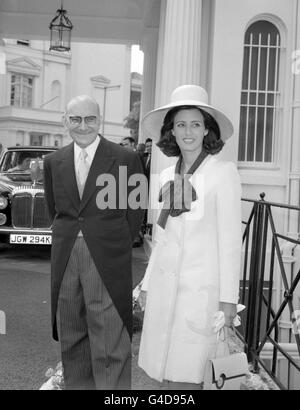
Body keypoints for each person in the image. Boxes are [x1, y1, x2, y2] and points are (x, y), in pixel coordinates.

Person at [138, 85, 242, 389]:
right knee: (165, 376)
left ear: (207, 130)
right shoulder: (169, 174)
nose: (188, 131)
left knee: (194, 376)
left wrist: (228, 302)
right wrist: (146, 284)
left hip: (201, 295)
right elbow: (162, 238)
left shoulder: (223, 173)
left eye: (196, 124)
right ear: (171, 131)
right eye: (180, 124)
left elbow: (230, 243)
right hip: (164, 288)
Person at [43, 95, 144, 390]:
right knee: (72, 338)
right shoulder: (53, 161)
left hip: (107, 256)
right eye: (75, 119)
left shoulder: (126, 158)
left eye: (89, 119)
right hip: (66, 257)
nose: (83, 125)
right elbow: (56, 210)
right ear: (65, 121)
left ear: (99, 120)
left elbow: (135, 213)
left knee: (110, 340)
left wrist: (111, 243)